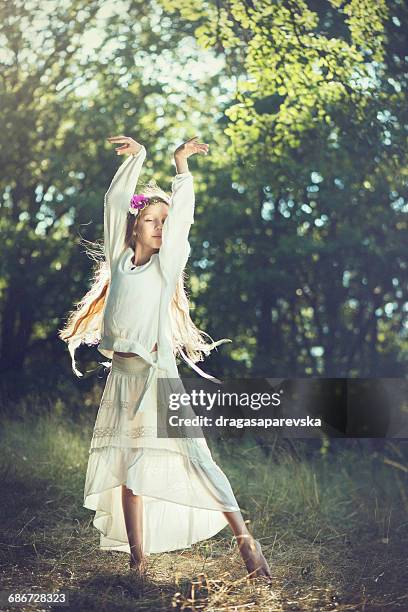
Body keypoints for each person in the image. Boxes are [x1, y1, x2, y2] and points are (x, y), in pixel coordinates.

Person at [59, 135, 272, 583]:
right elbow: (115, 201)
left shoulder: (164, 266)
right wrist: (136, 158)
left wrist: (181, 168)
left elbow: (183, 224)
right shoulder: (121, 261)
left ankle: (246, 543)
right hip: (122, 378)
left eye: (163, 222)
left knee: (196, 456)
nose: (159, 228)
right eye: (151, 221)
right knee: (128, 473)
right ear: (135, 227)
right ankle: (137, 562)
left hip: (158, 380)